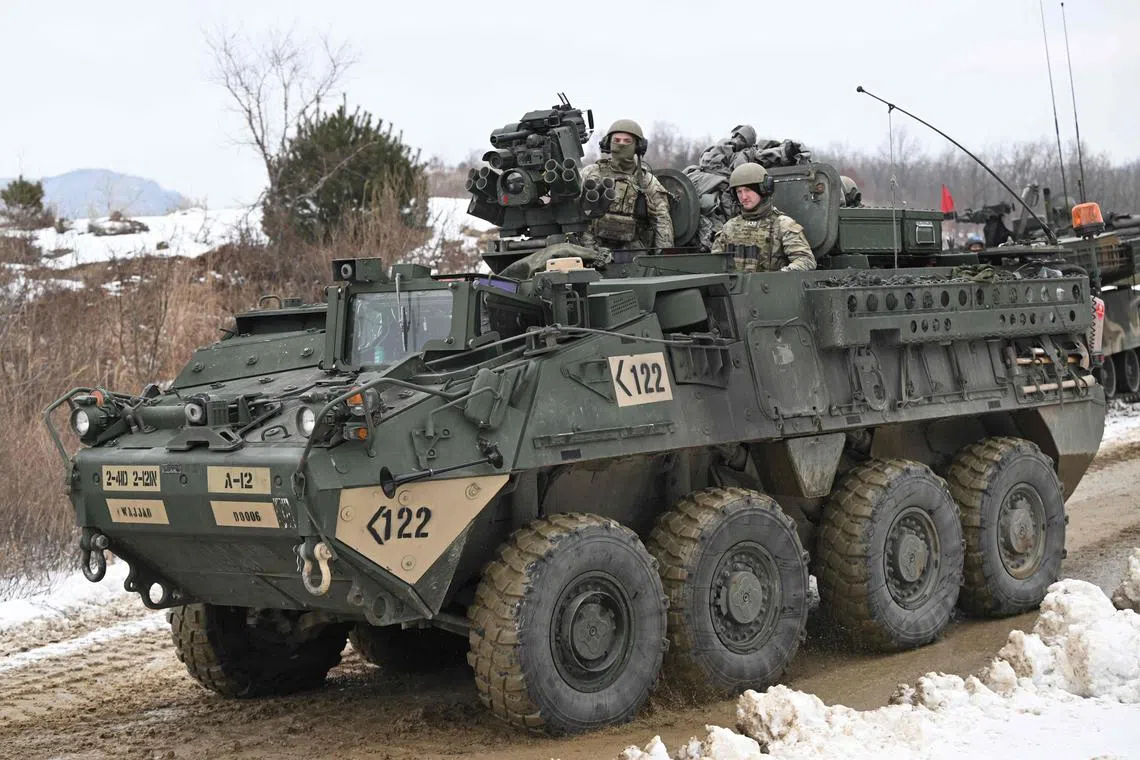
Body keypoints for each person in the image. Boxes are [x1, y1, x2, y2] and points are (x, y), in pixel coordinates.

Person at [580, 119, 673, 251]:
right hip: (590, 249)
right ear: (608, 143)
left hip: (633, 253)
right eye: (616, 140)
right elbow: (571, 211)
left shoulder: (647, 181)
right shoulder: (591, 173)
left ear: (638, 146)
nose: (621, 145)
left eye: (627, 141)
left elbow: (662, 221)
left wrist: (662, 257)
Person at [711, 163, 815, 272]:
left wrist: (780, 276)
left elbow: (806, 260)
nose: (743, 197)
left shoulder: (782, 225)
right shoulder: (729, 227)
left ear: (763, 189)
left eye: (748, 190)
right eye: (739, 192)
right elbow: (714, 264)